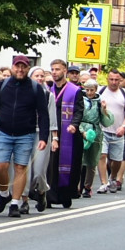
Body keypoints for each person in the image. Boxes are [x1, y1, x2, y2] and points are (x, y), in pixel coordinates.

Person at [0, 55, 51, 218]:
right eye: (17, 67)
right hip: (3, 132)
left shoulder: (35, 88)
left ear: (28, 69)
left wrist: (44, 137)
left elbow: (43, 114)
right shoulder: (3, 85)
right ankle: (4, 194)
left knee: (20, 168)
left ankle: (15, 203)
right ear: (13, 67)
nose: (20, 70)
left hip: (25, 134)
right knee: (0, 166)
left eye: (24, 67)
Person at [45, 59, 82, 208]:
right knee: (50, 165)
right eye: (52, 69)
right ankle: (48, 195)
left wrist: (74, 124)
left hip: (69, 133)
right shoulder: (48, 90)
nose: (54, 72)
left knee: (68, 166)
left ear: (64, 71)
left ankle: (66, 196)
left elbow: (79, 110)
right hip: (50, 132)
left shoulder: (75, 90)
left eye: (58, 69)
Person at [96, 69, 125, 193]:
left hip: (118, 131)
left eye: (117, 80)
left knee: (117, 160)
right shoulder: (100, 91)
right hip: (102, 130)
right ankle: (103, 182)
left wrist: (123, 126)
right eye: (111, 79)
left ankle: (113, 178)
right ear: (107, 79)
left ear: (120, 80)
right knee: (102, 155)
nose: (114, 82)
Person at [76, 78, 105, 198]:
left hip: (94, 131)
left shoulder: (99, 101)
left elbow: (105, 120)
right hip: (81, 127)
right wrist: (81, 130)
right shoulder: (80, 100)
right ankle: (76, 186)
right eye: (87, 90)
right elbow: (76, 115)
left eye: (92, 90)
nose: (89, 92)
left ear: (96, 90)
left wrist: (104, 110)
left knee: (92, 161)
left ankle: (88, 187)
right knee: (78, 160)